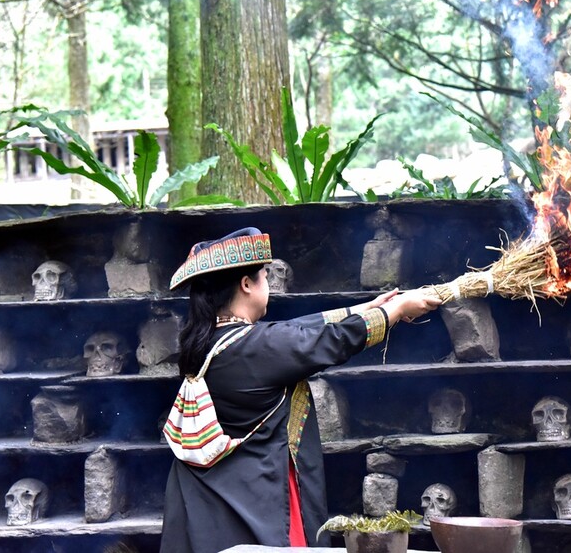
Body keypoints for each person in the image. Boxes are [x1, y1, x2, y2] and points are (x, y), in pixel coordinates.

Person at [160, 227, 441, 553]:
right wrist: (395, 311)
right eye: (264, 276)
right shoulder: (253, 347)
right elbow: (327, 341)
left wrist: (367, 308)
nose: (267, 284)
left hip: (209, 503)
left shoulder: (211, 341)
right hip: (254, 501)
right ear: (247, 284)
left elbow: (294, 330)